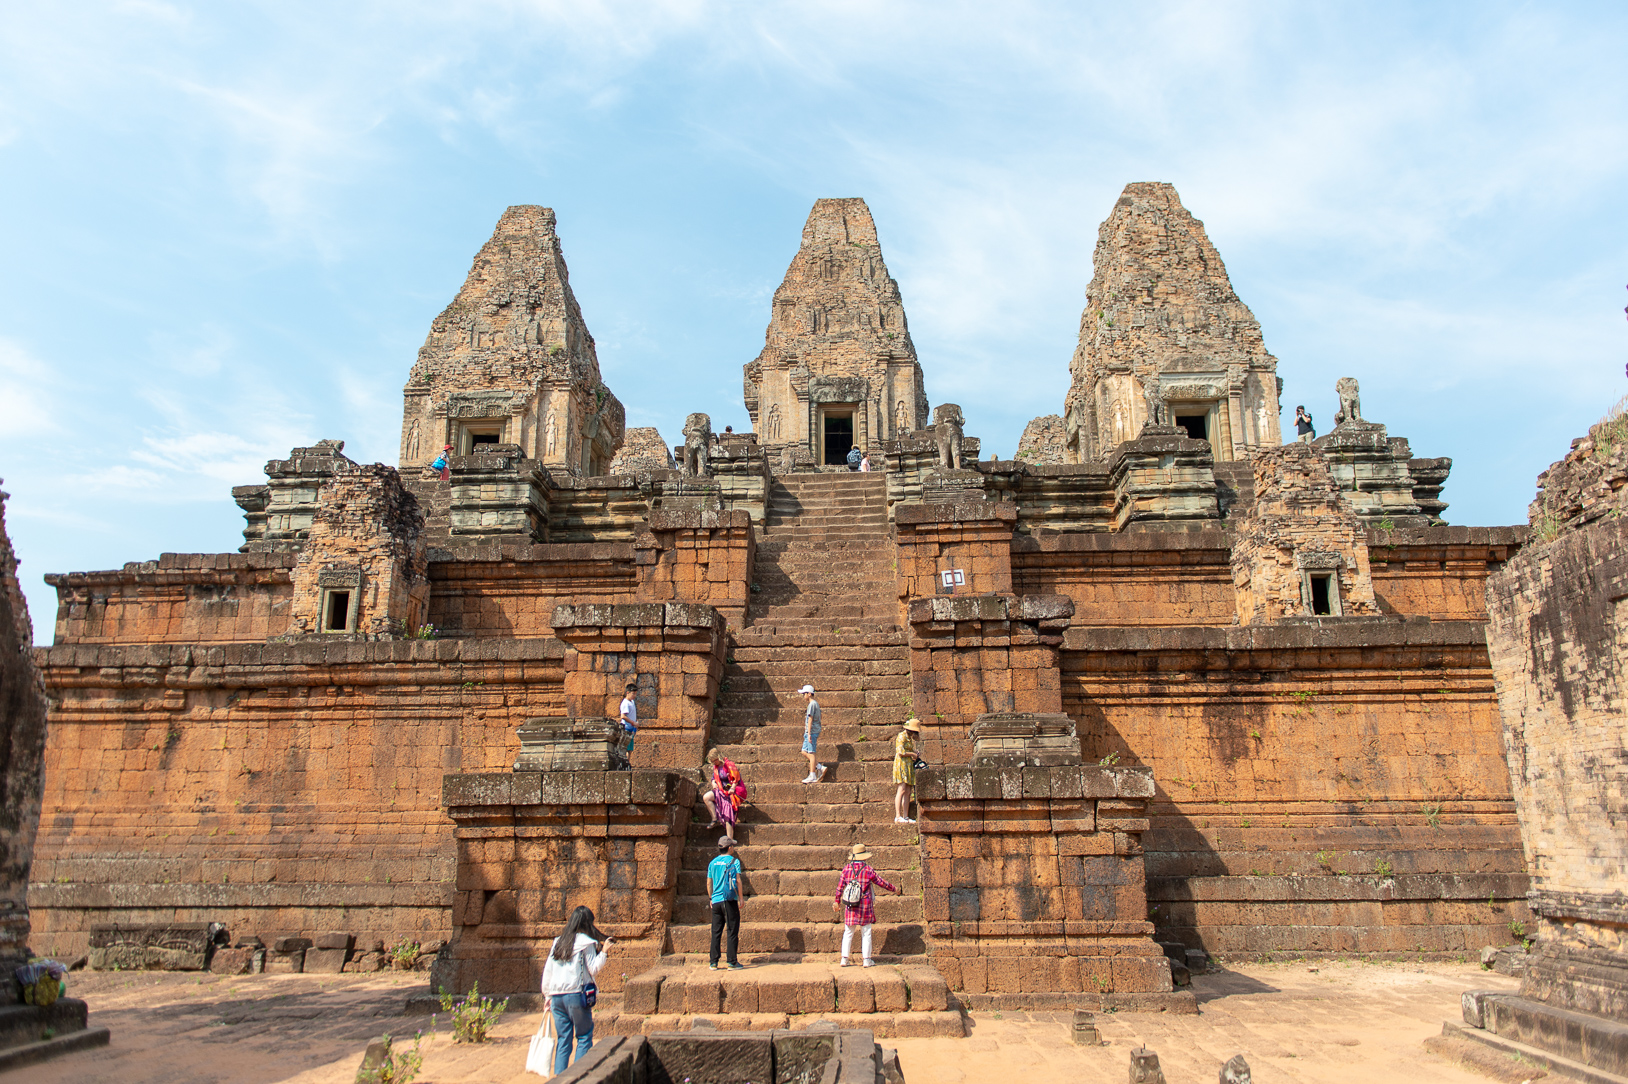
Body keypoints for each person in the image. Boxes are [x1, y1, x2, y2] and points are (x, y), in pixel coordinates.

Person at [541, 905, 611, 1073]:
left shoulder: (558, 941)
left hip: (556, 997)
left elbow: (548, 970)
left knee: (563, 1039)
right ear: (588, 923)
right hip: (576, 996)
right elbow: (593, 968)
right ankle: (578, 1077)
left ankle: (560, 1078)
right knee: (584, 1036)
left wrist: (547, 996)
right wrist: (604, 952)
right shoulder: (586, 942)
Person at [832, 843, 899, 967]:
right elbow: (880, 882)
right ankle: (866, 959)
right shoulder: (868, 869)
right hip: (865, 904)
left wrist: (837, 901)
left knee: (848, 932)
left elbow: (840, 887)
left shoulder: (847, 869)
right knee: (866, 932)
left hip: (851, 904)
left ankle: (844, 959)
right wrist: (894, 888)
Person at [707, 835, 745, 970]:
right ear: (729, 848)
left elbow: (709, 882)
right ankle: (732, 961)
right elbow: (738, 880)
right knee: (732, 930)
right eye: (732, 846)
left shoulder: (712, 863)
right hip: (729, 900)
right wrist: (741, 897)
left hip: (716, 901)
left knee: (716, 931)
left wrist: (711, 898)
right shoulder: (734, 861)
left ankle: (713, 962)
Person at [702, 748, 745, 839]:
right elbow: (713, 778)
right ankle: (715, 819)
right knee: (706, 797)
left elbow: (736, 778)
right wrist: (713, 783)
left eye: (715, 760)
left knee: (728, 814)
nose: (714, 763)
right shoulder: (716, 767)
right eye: (712, 761)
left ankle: (730, 840)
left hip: (730, 793)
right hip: (720, 791)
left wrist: (732, 788)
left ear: (719, 757)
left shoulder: (729, 765)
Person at [893, 718, 921, 824]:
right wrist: (912, 754)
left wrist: (914, 752)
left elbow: (908, 749)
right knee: (902, 789)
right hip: (901, 765)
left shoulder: (909, 738)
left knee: (908, 791)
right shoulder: (901, 736)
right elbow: (900, 752)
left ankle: (905, 816)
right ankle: (898, 816)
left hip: (908, 765)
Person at [799, 684, 826, 783]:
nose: (803, 696)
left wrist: (809, 733)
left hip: (812, 732)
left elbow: (810, 719)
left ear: (809, 694)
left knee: (811, 752)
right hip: (812, 731)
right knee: (804, 751)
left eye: (804, 694)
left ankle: (812, 774)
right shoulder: (816, 704)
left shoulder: (812, 704)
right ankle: (819, 767)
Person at [618, 681, 638, 768]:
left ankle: (627, 764)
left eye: (635, 694)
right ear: (627, 693)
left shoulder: (632, 702)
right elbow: (623, 716)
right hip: (626, 728)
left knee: (629, 749)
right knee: (626, 748)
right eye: (633, 694)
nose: (634, 696)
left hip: (631, 728)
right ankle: (625, 765)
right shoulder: (625, 703)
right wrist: (633, 723)